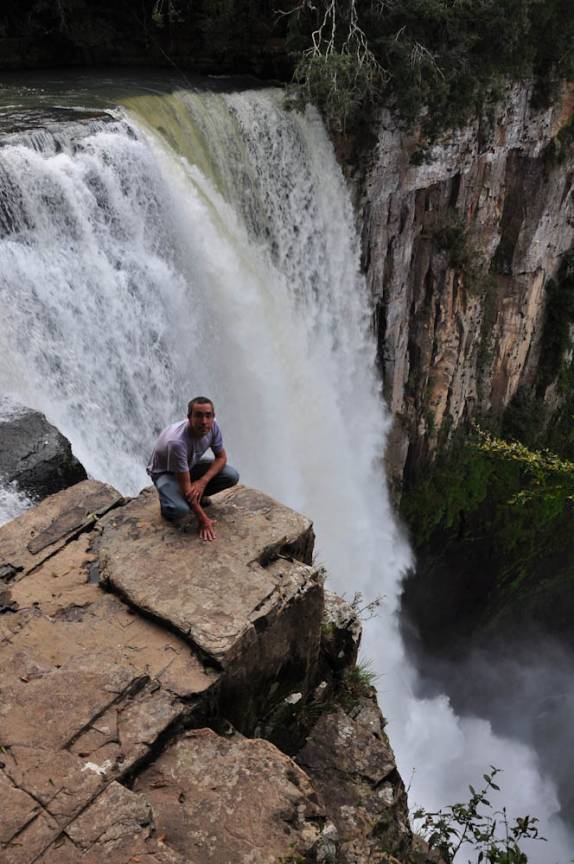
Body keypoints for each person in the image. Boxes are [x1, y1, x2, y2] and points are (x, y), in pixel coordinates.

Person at [147, 397, 239, 541]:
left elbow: (221, 458)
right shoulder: (177, 442)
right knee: (180, 510)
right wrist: (204, 520)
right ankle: (167, 504)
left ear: (213, 417)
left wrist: (202, 481)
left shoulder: (213, 427)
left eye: (208, 416)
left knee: (231, 475)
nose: (204, 421)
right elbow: (186, 487)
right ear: (189, 417)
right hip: (165, 472)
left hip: (189, 464)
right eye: (198, 416)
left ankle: (197, 497)